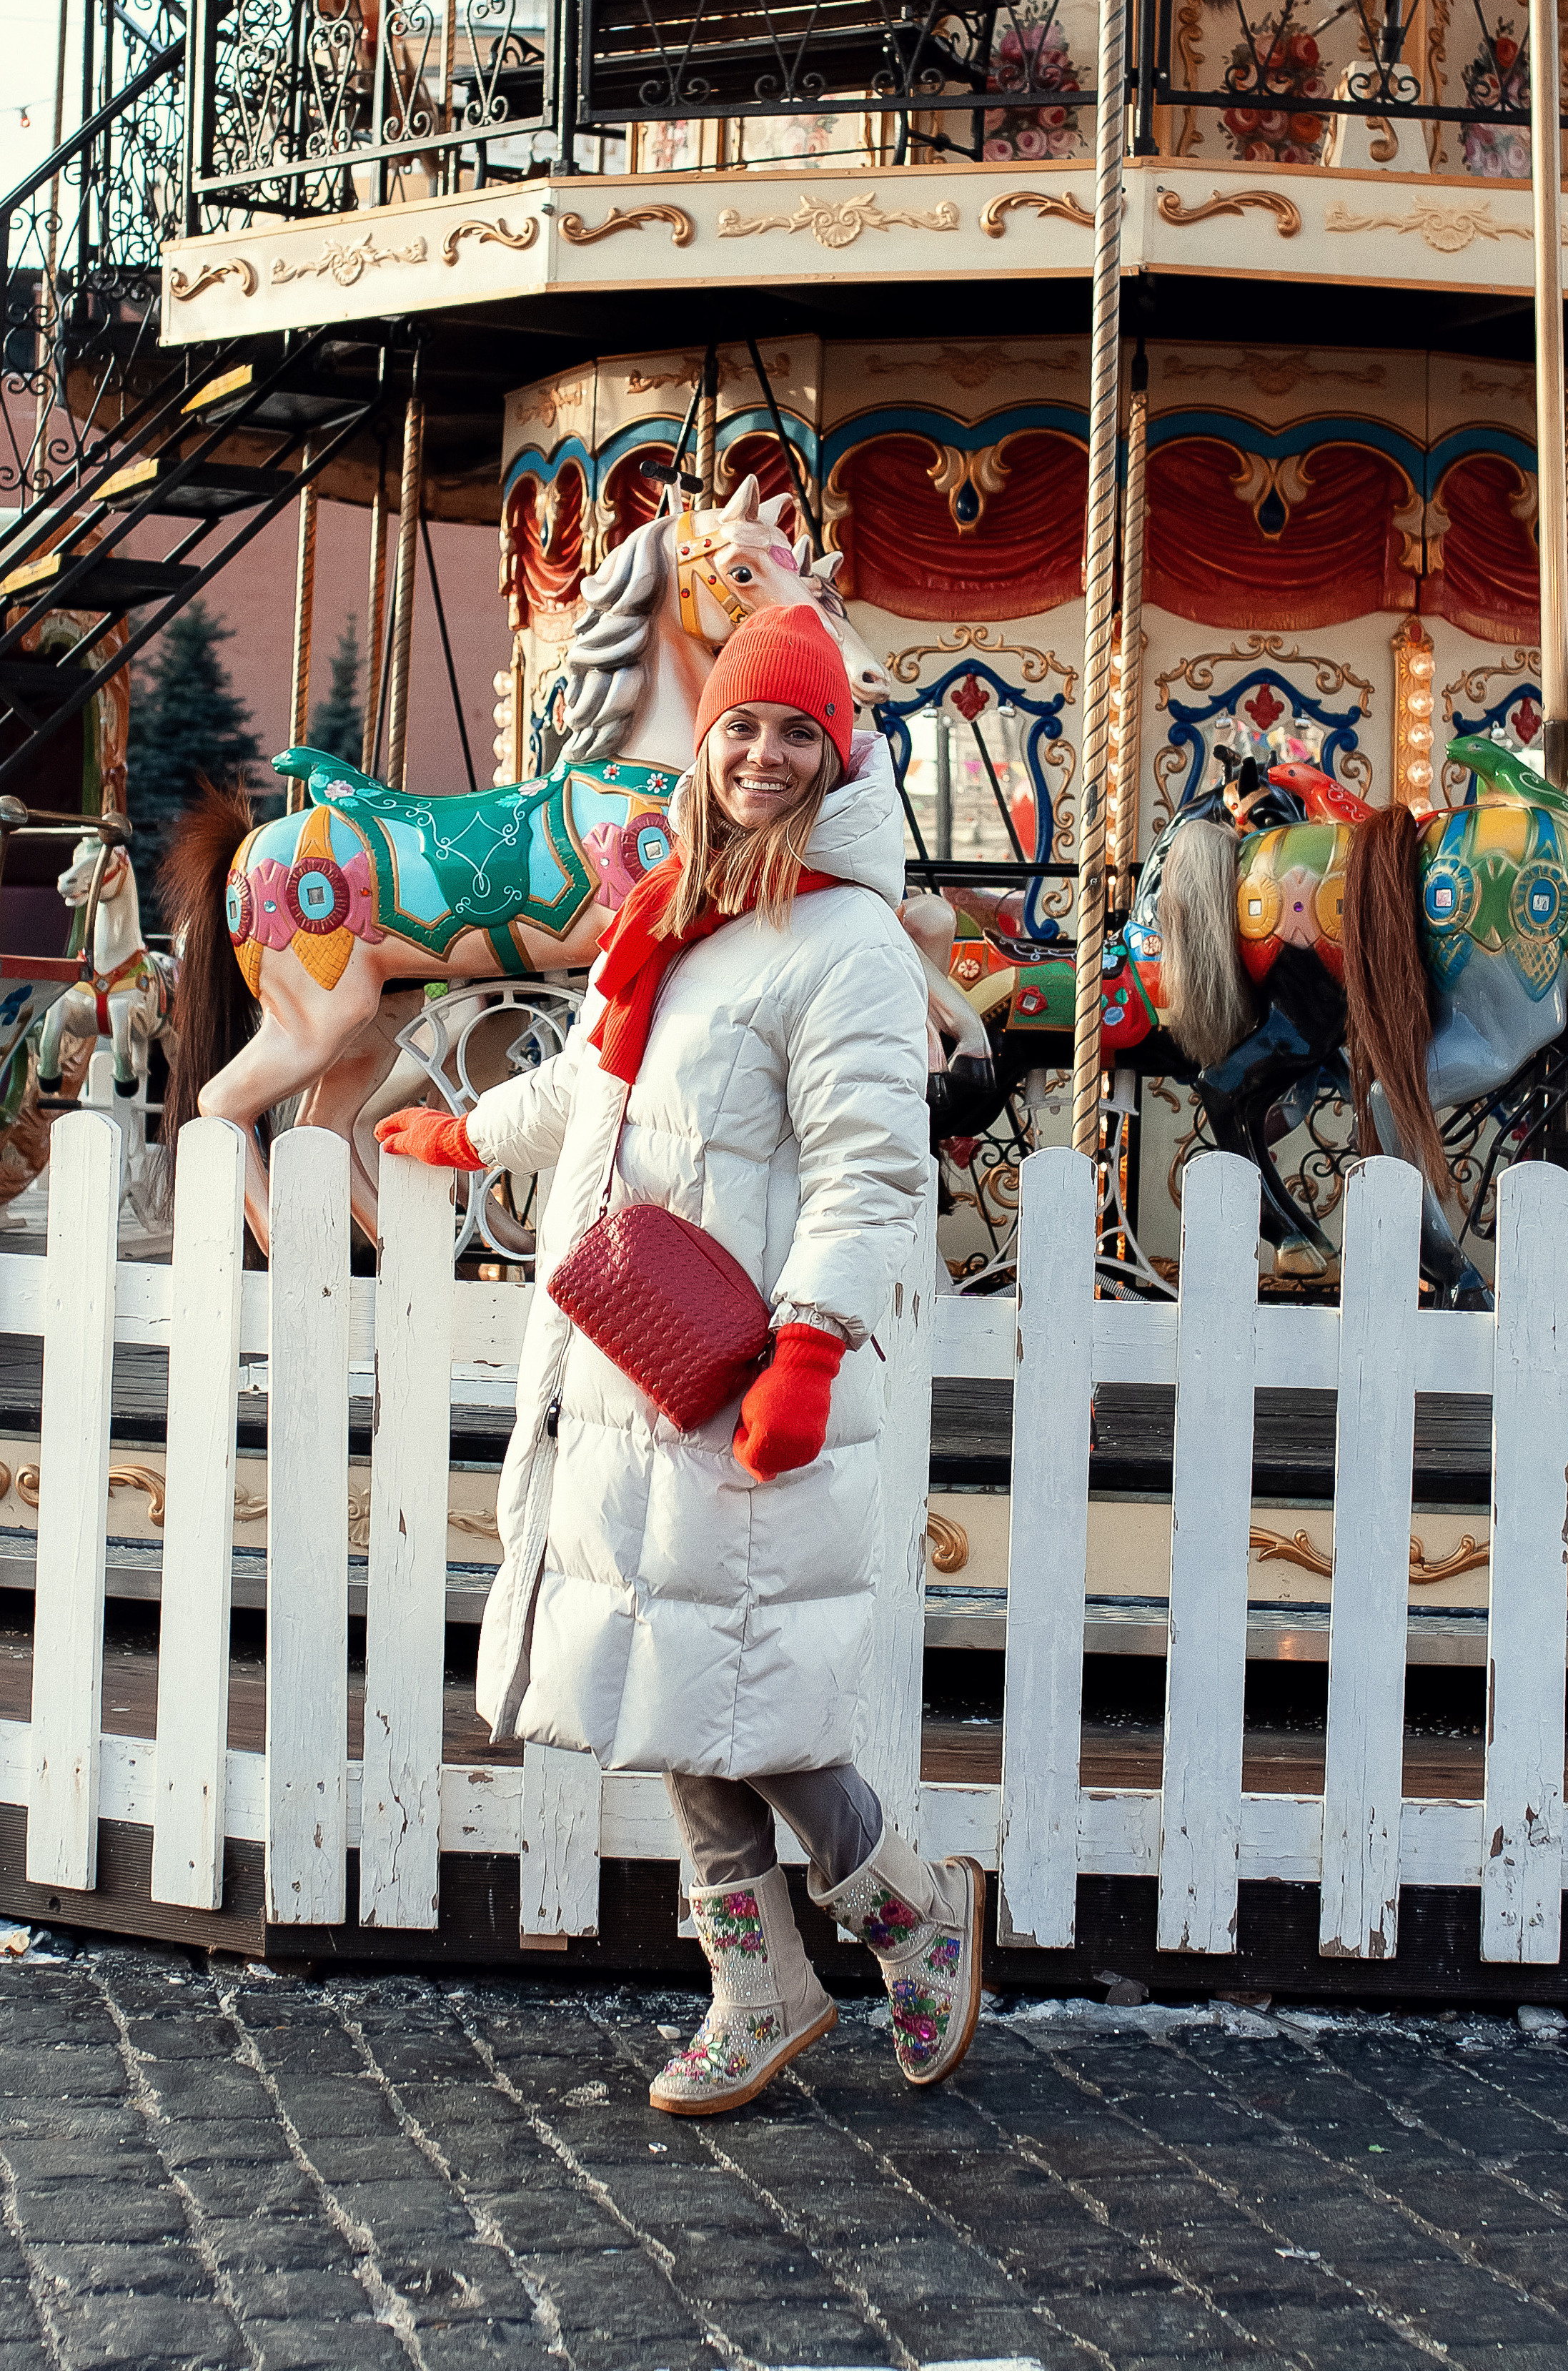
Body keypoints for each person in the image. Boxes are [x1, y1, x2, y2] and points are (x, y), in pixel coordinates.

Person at [377, 604, 984, 2116]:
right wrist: (472, 1133)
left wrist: (814, 1347)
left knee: (736, 1678)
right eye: (742, 726)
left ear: (838, 751)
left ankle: (895, 1910)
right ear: (704, 741)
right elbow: (599, 1080)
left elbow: (869, 1166)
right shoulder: (680, 910)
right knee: (673, 1664)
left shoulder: (841, 938)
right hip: (638, 1363)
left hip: (745, 1363)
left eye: (797, 729)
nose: (766, 753)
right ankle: (774, 1971)